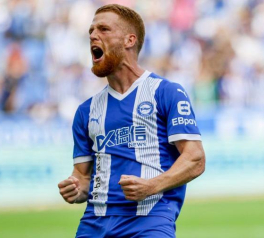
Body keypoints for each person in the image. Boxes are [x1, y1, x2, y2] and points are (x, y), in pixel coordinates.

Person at [57, 4, 205, 238]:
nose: (93, 35)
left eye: (104, 29)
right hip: (94, 223)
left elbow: (195, 158)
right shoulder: (86, 111)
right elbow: (83, 177)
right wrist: (75, 188)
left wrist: (151, 186)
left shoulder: (166, 93)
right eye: (91, 31)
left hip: (149, 220)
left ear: (129, 40)